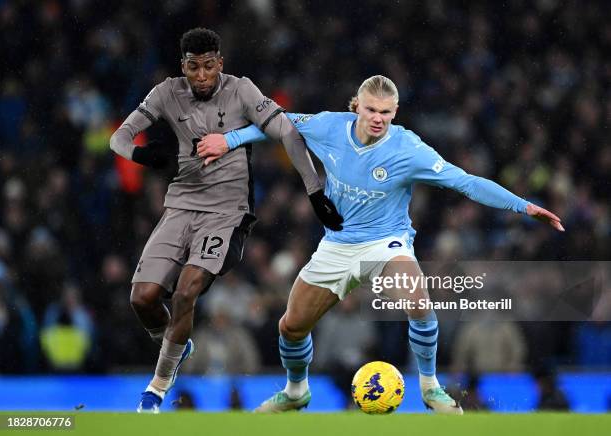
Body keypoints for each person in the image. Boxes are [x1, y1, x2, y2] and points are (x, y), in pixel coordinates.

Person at [198, 75, 563, 414]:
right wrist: (228, 140)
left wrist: (524, 206)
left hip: (386, 242)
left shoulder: (408, 148)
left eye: (386, 112)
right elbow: (274, 122)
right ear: (356, 105)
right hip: (338, 244)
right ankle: (296, 391)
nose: (378, 119)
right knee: (290, 327)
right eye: (371, 110)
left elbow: (465, 182)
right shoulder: (330, 126)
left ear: (395, 112)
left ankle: (430, 386)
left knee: (418, 301)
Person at [109, 27, 343, 413]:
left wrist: (315, 190)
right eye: (193, 68)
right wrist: (141, 156)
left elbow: (286, 131)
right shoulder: (166, 92)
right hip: (180, 205)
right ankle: (177, 346)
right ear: (182, 66)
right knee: (143, 299)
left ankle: (155, 389)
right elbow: (119, 137)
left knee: (186, 293)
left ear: (220, 63)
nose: (201, 76)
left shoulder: (242, 90)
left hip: (227, 213)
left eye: (208, 67)